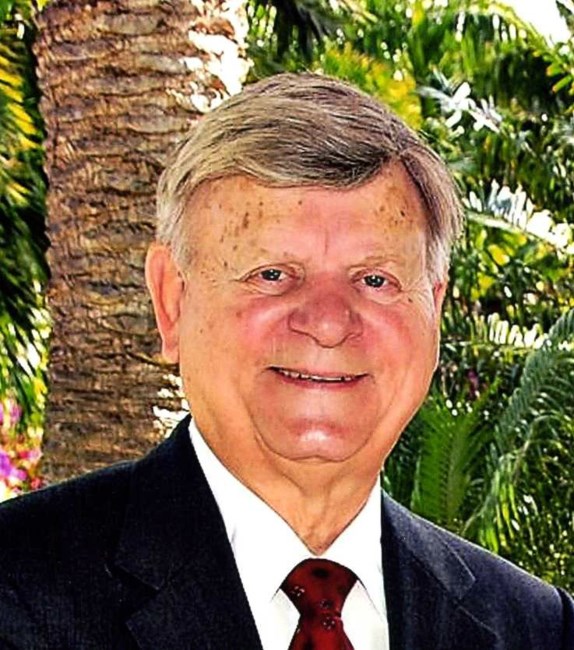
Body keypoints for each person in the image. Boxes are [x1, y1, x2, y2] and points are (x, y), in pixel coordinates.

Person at [0, 73, 572, 650]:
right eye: (272, 274)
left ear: (435, 307)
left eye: (375, 280)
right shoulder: (16, 587)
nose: (327, 322)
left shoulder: (536, 627)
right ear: (172, 301)